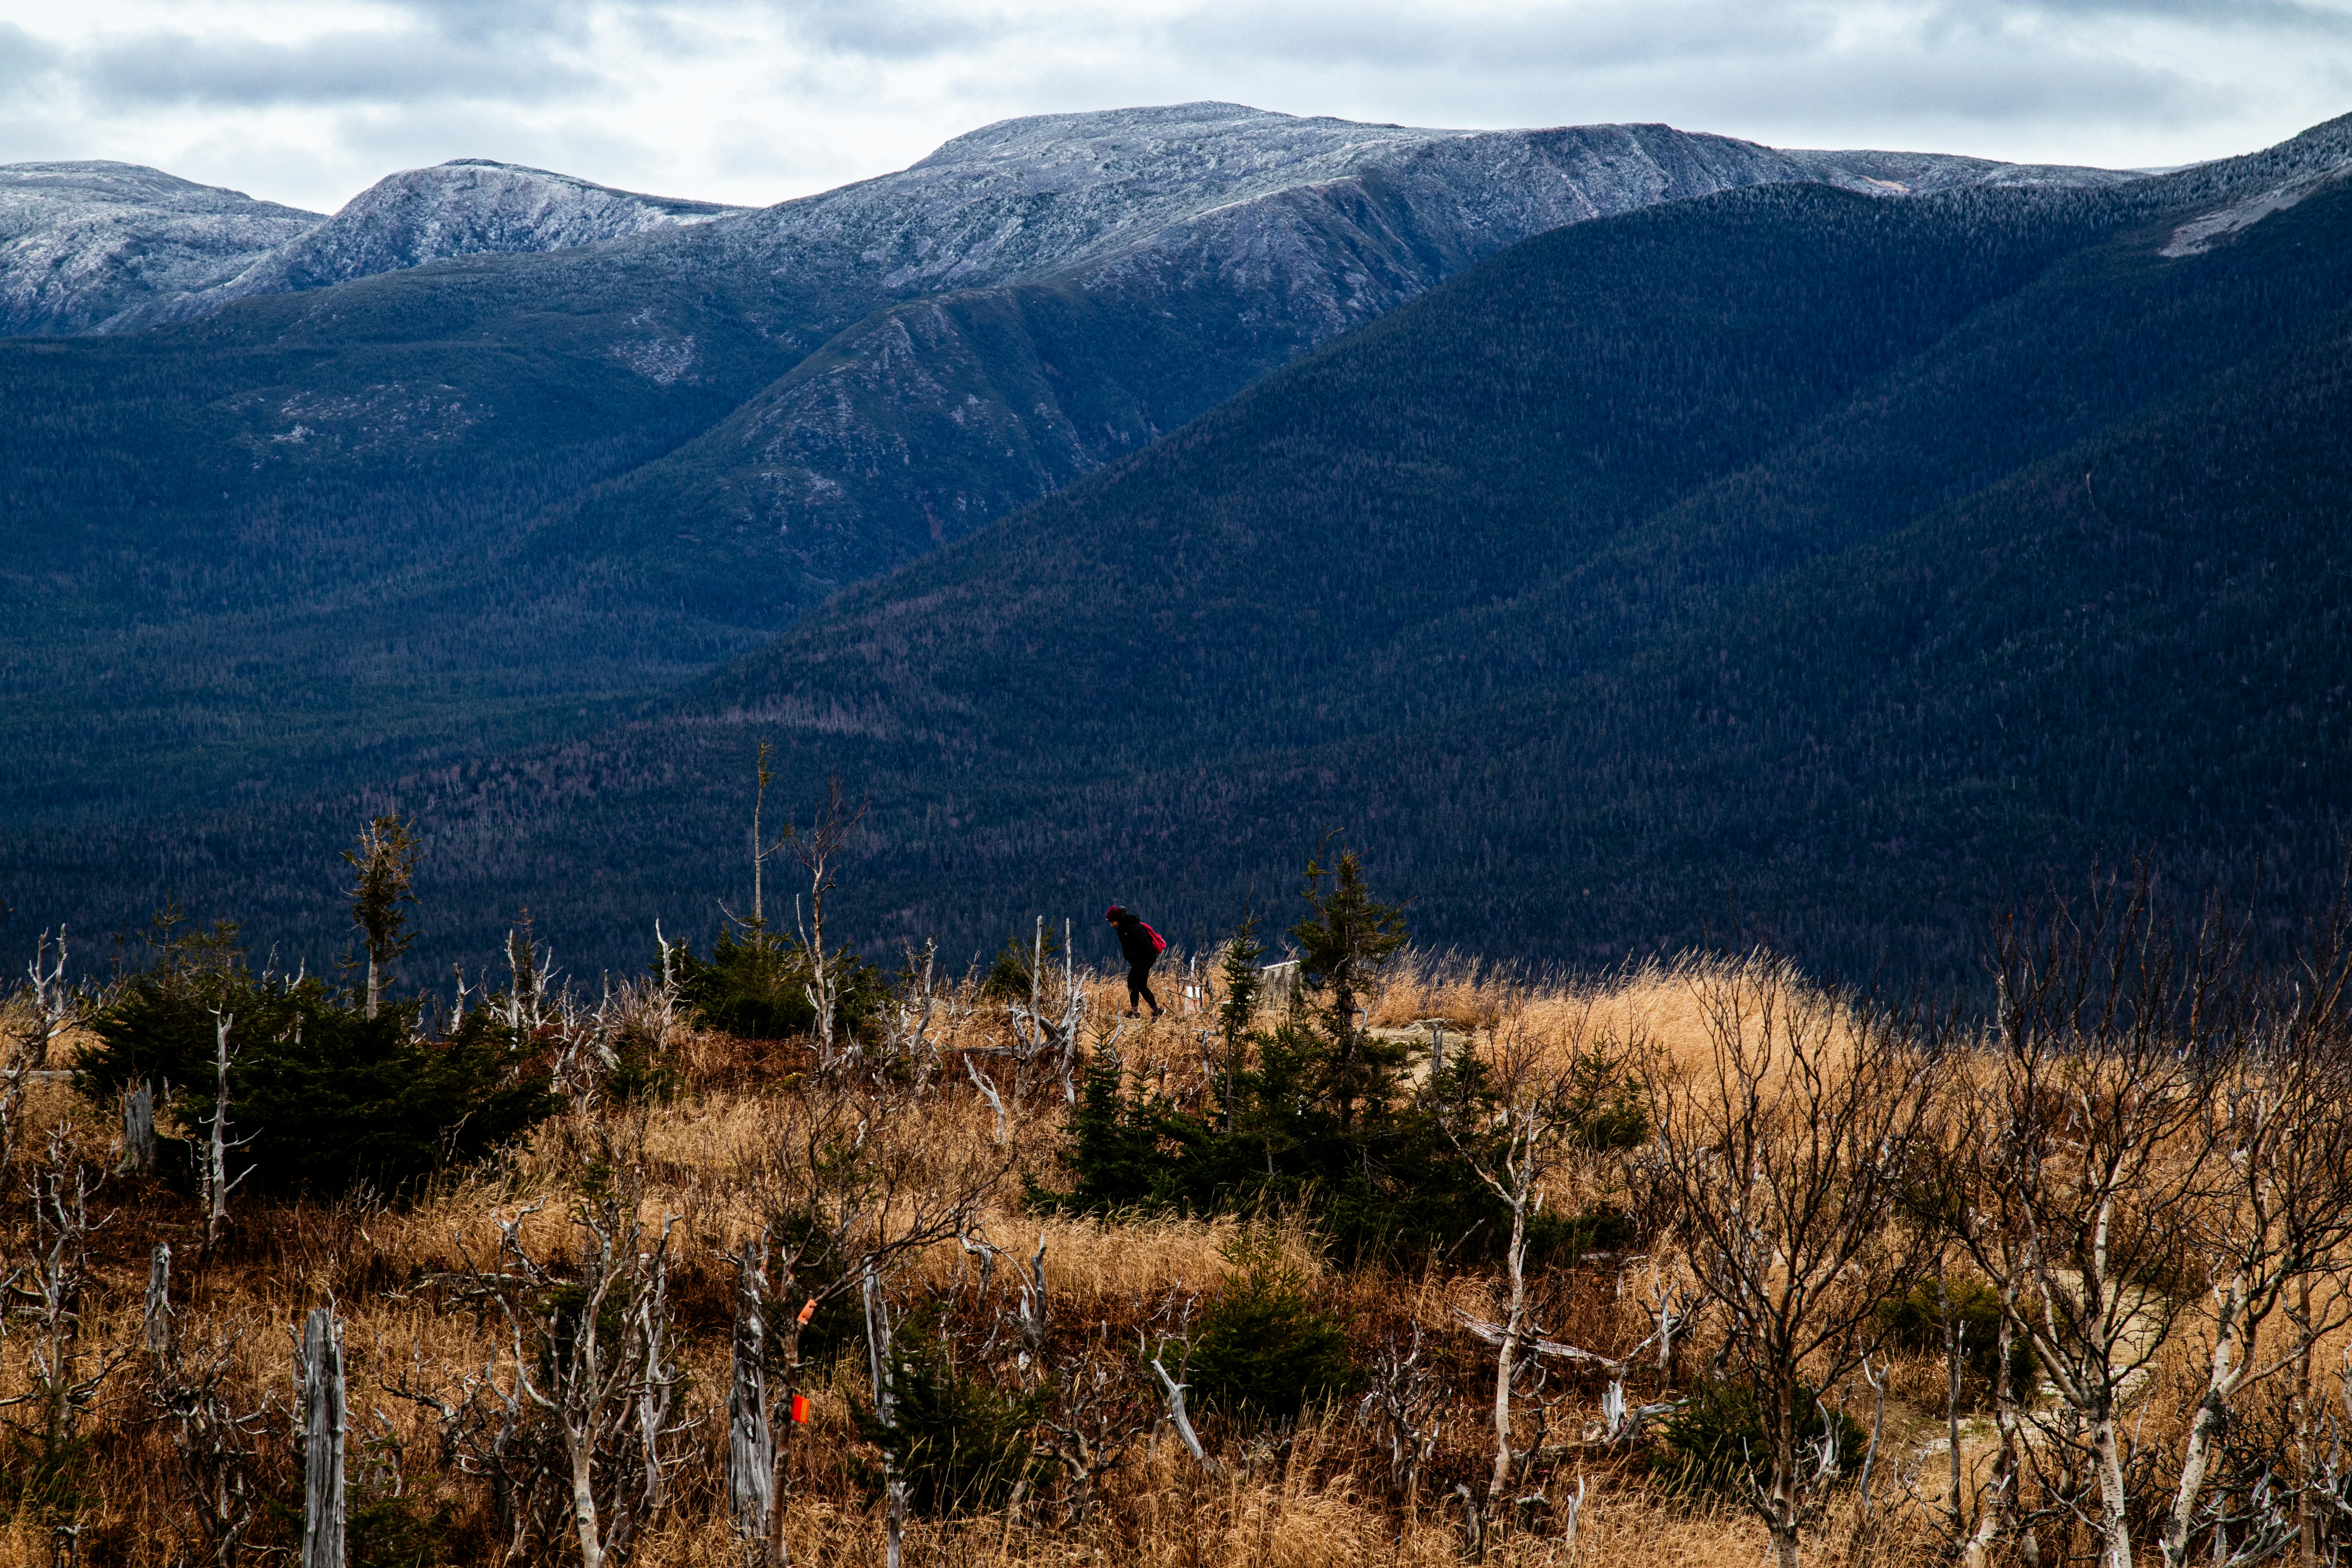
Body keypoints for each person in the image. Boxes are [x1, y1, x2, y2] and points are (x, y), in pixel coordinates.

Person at [1105, 905, 1166, 1018]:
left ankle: (1135, 1013)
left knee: (1132, 981)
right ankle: (1157, 1011)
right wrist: (1132, 959)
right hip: (1139, 959)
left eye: (1113, 922)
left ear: (1118, 919)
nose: (1111, 925)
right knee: (1142, 986)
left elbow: (1146, 946)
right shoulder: (1121, 928)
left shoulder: (1134, 927)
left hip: (1147, 957)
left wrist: (1134, 957)